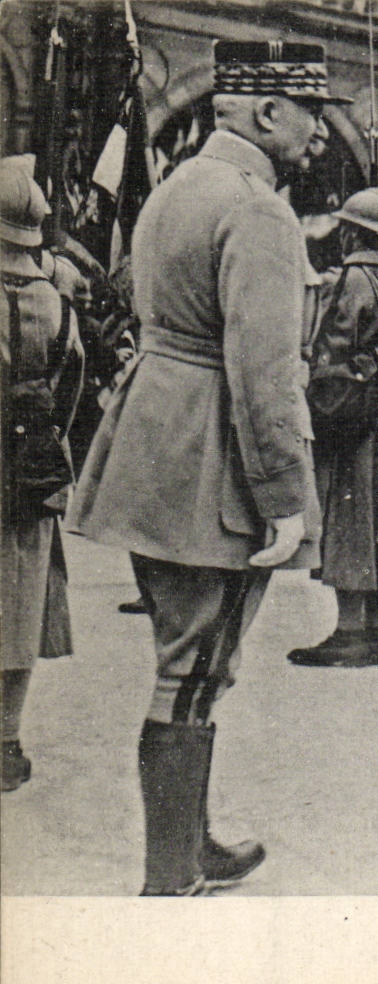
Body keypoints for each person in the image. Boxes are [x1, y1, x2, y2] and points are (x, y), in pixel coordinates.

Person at [67, 42, 346, 893]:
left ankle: (190, 842)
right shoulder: (257, 211)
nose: (319, 138)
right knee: (195, 667)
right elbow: (262, 374)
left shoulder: (176, 189)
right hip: (212, 462)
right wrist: (286, 500)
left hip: (154, 446)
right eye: (310, 116)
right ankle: (170, 873)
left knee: (184, 657)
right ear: (266, 112)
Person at [287, 187, 378, 669]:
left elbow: (332, 346)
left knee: (349, 518)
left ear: (352, 231)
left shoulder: (351, 279)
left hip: (353, 414)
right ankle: (375, 629)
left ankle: (349, 631)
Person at [1, 155, 80, 793]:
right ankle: (7, 741)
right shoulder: (54, 299)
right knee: (23, 605)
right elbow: (71, 386)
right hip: (32, 471)